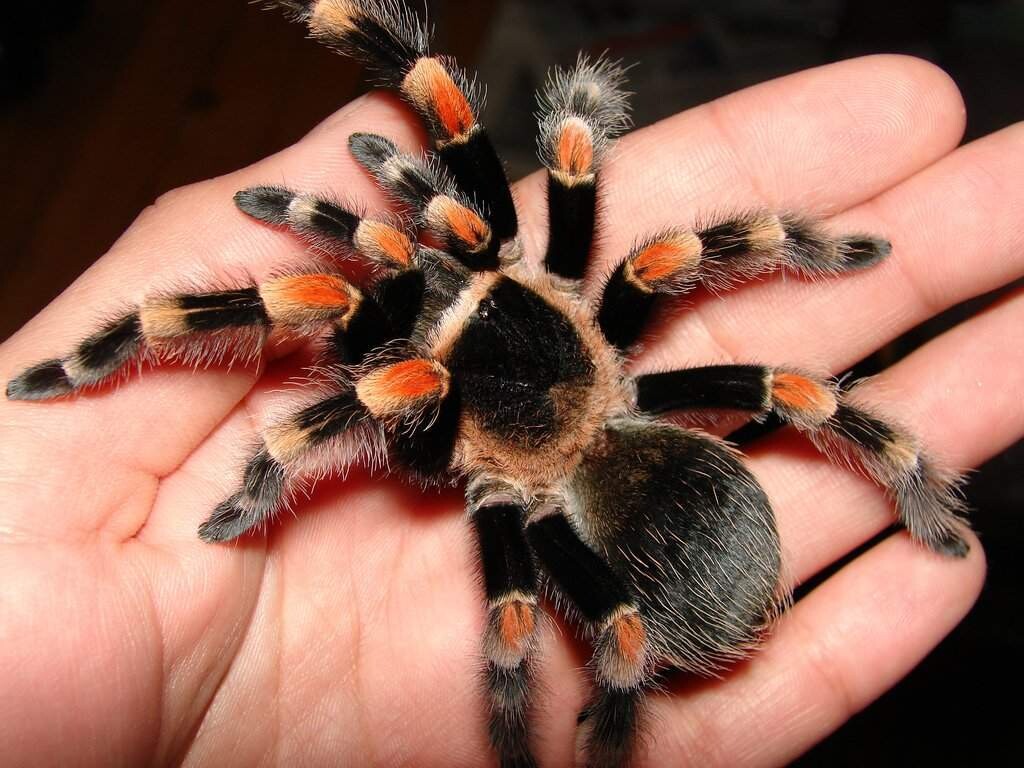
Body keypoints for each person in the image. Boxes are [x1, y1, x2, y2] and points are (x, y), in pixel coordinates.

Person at [0, 54, 1017, 766]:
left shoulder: (420, 355)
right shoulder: (469, 318)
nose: (435, 250)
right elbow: (406, 360)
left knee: (738, 390)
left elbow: (388, 378)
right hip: (608, 444)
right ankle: (913, 492)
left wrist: (277, 457)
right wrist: (273, 461)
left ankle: (909, 489)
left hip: (606, 452)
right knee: (764, 381)